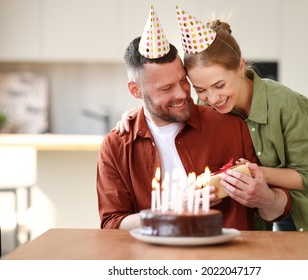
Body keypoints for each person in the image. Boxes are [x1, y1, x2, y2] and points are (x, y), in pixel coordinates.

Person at [115, 6, 308, 246]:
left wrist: (252, 171)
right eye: (201, 90)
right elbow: (169, 108)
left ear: (240, 67)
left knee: (302, 268)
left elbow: (305, 177)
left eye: (220, 85)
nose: (212, 98)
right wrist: (139, 114)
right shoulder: (206, 104)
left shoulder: (288, 104)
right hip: (283, 203)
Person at [97, 6, 291, 231]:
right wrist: (174, 208)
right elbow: (112, 225)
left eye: (182, 81)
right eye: (166, 88)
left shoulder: (231, 126)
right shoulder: (116, 146)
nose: (181, 94)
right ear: (135, 91)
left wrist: (265, 198)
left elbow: (272, 212)